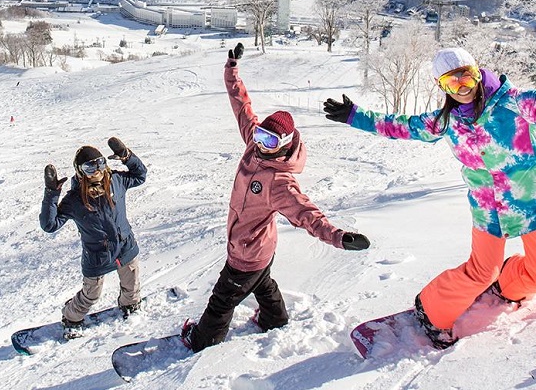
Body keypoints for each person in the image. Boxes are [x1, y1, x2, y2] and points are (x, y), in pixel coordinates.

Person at [324, 46, 536, 349]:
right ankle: (432, 310)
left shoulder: (517, 104)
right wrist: (357, 117)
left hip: (531, 202)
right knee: (481, 271)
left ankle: (510, 285)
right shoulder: (447, 122)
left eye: (467, 76)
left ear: (478, 73)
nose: (462, 87)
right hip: (488, 210)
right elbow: (404, 127)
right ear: (442, 87)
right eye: (452, 82)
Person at [181, 43, 370, 353]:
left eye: (267, 139)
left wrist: (339, 237)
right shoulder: (254, 146)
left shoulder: (280, 182)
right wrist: (231, 68)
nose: (258, 142)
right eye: (258, 136)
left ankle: (202, 339)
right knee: (263, 282)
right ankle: (275, 319)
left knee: (223, 299)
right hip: (258, 245)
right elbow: (241, 104)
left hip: (248, 250)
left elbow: (308, 215)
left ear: (283, 145)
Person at [40, 137, 147, 338]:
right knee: (91, 294)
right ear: (80, 171)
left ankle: (130, 305)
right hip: (97, 256)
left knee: (131, 284)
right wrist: (51, 193)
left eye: (100, 163)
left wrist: (127, 156)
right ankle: (71, 317)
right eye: (89, 167)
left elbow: (140, 175)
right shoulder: (75, 199)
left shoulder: (116, 181)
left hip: (125, 247)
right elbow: (49, 225)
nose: (97, 170)